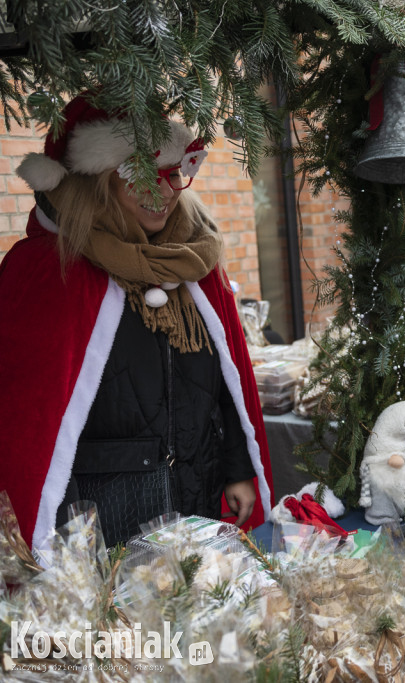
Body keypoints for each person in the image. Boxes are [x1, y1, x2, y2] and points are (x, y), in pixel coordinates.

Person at [0, 93, 274, 552]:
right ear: (95, 181)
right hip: (100, 520)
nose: (164, 191)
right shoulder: (48, 270)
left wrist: (237, 468)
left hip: (196, 496)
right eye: (141, 174)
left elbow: (228, 383)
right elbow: (28, 428)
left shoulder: (192, 258)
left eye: (172, 174)